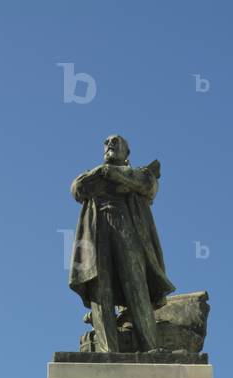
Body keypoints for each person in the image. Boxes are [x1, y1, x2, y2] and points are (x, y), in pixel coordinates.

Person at [69, 134, 175, 352]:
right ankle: (108, 350)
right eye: (107, 143)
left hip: (127, 227)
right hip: (97, 232)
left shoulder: (141, 174)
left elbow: (146, 185)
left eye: (116, 142)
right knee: (100, 287)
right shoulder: (95, 174)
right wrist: (103, 172)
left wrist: (112, 175)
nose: (110, 145)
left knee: (136, 284)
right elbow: (78, 188)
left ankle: (149, 347)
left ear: (127, 153)